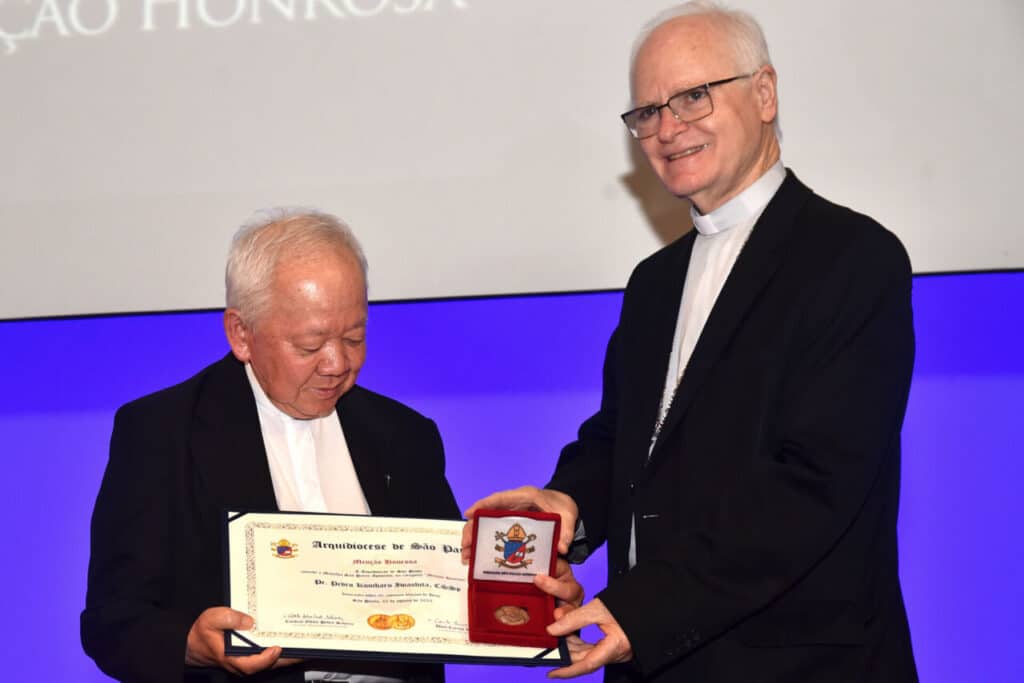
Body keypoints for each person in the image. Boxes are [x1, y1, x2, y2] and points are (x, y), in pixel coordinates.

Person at [464, 2, 918, 681]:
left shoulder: (855, 259)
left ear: (764, 93)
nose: (667, 129)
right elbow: (626, 440)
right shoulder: (653, 281)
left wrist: (642, 607)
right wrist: (569, 505)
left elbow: (812, 486)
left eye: (692, 97)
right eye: (647, 112)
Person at [82, 208, 461, 683]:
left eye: (354, 337)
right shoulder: (162, 433)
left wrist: (530, 603)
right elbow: (111, 622)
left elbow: (451, 591)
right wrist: (193, 642)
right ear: (241, 334)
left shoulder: (405, 434)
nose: (337, 363)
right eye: (309, 345)